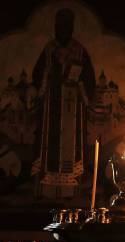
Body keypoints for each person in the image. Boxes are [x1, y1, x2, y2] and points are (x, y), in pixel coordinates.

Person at [31, 8, 96, 200]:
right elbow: (38, 74)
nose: (63, 29)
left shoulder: (80, 50)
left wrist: (79, 82)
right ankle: (46, 188)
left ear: (72, 27)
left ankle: (71, 190)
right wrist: (48, 75)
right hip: (52, 105)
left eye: (67, 25)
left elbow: (89, 78)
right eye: (60, 25)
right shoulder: (49, 49)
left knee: (71, 143)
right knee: (49, 143)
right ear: (56, 27)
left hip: (72, 106)